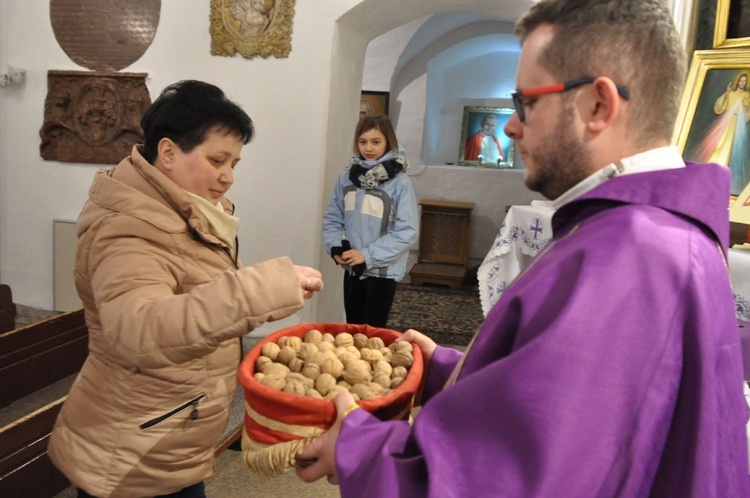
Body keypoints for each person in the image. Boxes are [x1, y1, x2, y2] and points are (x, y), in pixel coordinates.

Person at [296, 1, 750, 496]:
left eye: (526, 102)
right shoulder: (645, 231)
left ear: (598, 105)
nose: (510, 126)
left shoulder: (630, 256)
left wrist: (360, 446)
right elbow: (575, 408)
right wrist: (451, 369)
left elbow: (502, 481)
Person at [47, 80, 323, 498]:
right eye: (217, 160)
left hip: (170, 428)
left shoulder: (188, 212)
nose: (228, 177)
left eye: (235, 163)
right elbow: (141, 330)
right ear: (169, 151)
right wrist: (261, 290)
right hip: (133, 446)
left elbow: (199, 298)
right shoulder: (128, 230)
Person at [322, 114, 418, 328]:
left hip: (382, 272)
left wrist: (366, 255)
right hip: (353, 270)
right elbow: (332, 218)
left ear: (388, 143)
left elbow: (407, 232)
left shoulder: (400, 183)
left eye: (376, 142)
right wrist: (337, 247)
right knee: (353, 331)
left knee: (373, 336)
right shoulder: (346, 178)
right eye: (363, 141)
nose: (369, 148)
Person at [687, 71, 750, 195]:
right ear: (738, 81)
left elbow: (748, 115)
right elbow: (719, 108)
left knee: (731, 149)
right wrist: (726, 94)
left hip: (738, 124)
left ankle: (721, 178)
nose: (742, 83)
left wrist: (746, 107)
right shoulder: (731, 94)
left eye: (744, 81)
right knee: (718, 146)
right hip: (724, 123)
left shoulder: (747, 95)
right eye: (741, 80)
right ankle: (710, 173)